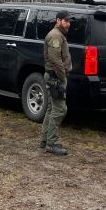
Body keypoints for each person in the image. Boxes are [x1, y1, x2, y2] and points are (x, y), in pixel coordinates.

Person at [40, 10, 73, 156]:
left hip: (54, 77)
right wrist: (62, 77)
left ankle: (45, 139)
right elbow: (55, 60)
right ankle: (51, 143)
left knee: (51, 108)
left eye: (69, 21)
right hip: (55, 78)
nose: (68, 24)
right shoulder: (55, 36)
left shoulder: (59, 35)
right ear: (58, 20)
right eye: (66, 21)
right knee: (60, 109)